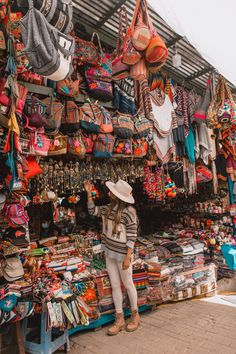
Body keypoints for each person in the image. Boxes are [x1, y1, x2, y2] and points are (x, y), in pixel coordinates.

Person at [84, 179, 140, 335]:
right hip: (109, 252)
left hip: (123, 255)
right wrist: (89, 193)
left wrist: (128, 258)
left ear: (118, 196)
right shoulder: (108, 209)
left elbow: (132, 237)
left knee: (128, 284)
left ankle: (135, 317)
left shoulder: (129, 213)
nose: (110, 194)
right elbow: (92, 211)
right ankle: (119, 318)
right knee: (115, 285)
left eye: (113, 193)